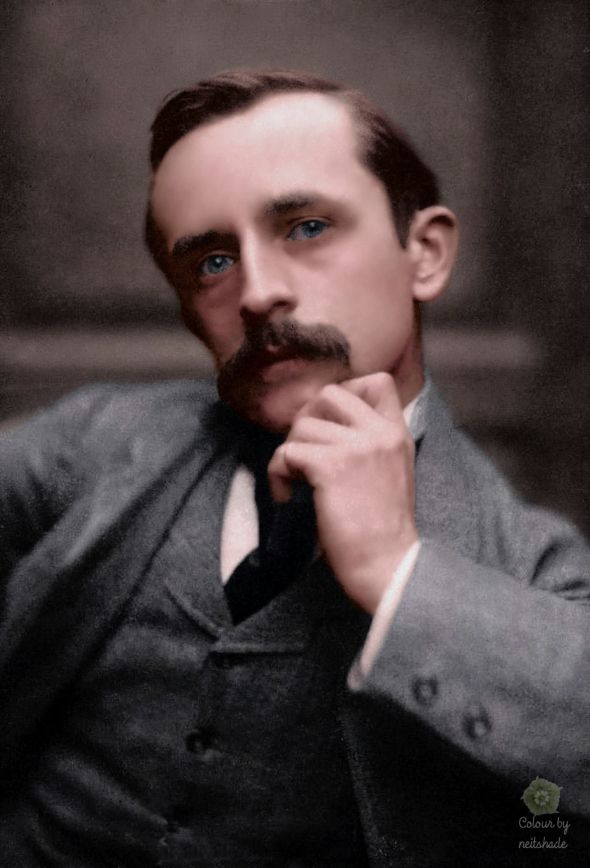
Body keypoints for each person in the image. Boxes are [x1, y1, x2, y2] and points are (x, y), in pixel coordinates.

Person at [0, 69, 588, 867]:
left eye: (306, 228)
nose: (256, 293)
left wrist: (394, 569)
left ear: (424, 254)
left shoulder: (531, 562)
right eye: (211, 262)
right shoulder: (101, 441)